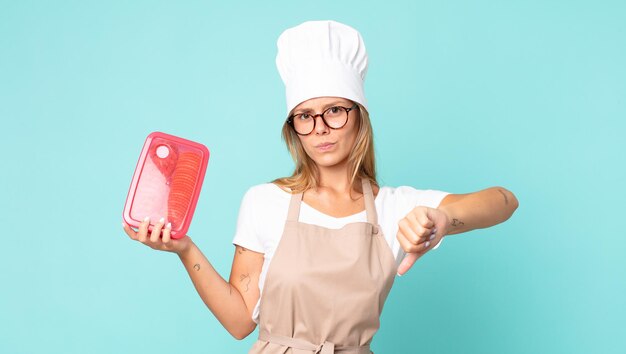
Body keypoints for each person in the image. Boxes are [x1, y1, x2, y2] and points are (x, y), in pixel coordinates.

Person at [122, 20, 519, 353]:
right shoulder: (265, 202)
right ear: (293, 128)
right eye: (305, 116)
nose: (320, 129)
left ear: (359, 116)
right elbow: (241, 321)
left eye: (334, 111)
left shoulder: (397, 208)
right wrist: (184, 248)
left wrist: (443, 218)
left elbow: (504, 201)